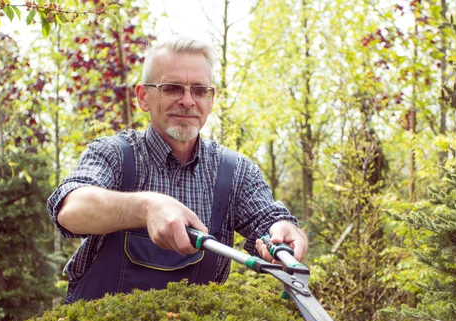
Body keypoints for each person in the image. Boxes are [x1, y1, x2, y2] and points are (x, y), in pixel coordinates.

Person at [47, 36, 307, 303]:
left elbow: (270, 222)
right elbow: (71, 210)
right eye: (172, 88)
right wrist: (147, 207)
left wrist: (286, 231)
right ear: (143, 97)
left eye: (199, 90)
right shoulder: (114, 154)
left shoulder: (235, 172)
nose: (187, 100)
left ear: (211, 99)